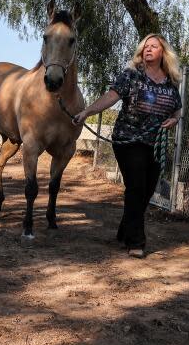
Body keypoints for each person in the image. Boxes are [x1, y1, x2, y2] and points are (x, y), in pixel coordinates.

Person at [73, 34, 182, 258]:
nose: (148, 49)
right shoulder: (131, 75)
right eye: (145, 47)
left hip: (155, 143)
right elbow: (111, 97)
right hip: (128, 140)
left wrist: (175, 119)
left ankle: (125, 230)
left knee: (147, 190)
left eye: (154, 46)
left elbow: (177, 109)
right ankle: (136, 242)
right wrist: (87, 112)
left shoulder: (171, 80)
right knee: (136, 187)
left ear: (163, 52)